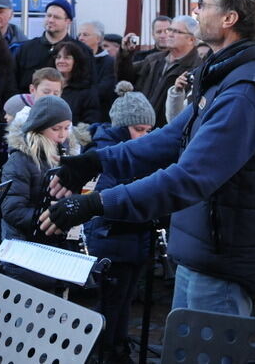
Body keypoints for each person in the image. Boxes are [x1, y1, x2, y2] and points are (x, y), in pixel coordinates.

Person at [40, 0, 255, 316]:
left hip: (222, 265)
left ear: (229, 18)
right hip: (200, 253)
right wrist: (95, 161)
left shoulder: (243, 93)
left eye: (204, 4)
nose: (197, 10)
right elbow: (170, 137)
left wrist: (96, 204)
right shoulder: (224, 76)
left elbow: (187, 177)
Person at [83, 82, 155, 364]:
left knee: (125, 302)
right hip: (112, 240)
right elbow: (106, 196)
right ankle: (103, 351)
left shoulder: (137, 151)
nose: (144, 137)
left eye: (148, 131)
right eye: (139, 130)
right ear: (123, 126)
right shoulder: (106, 152)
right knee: (111, 304)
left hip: (133, 241)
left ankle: (118, 347)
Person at [0, 95, 89, 292]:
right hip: (24, 252)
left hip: (53, 249)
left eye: (66, 128)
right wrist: (52, 219)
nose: (62, 135)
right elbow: (12, 209)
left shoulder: (65, 155)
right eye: (56, 129)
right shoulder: (21, 160)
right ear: (39, 128)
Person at [116, 15, 202, 127]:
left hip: (167, 132)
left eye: (176, 32)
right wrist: (125, 54)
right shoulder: (153, 60)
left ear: (191, 39)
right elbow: (126, 79)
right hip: (141, 128)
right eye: (169, 30)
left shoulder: (197, 68)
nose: (169, 34)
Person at [13, 0, 93, 92]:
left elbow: (90, 85)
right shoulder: (26, 49)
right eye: (48, 16)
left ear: (68, 21)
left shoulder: (82, 51)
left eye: (56, 17)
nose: (50, 20)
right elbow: (13, 83)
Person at [52, 41, 101, 124]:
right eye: (58, 57)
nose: (61, 61)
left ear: (76, 61)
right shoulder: (49, 85)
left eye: (66, 58)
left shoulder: (86, 90)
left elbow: (90, 121)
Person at [78, 20, 116, 120]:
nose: (81, 38)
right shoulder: (75, 60)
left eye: (85, 35)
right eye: (79, 35)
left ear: (98, 39)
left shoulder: (109, 62)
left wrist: (78, 96)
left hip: (99, 115)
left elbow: (103, 90)